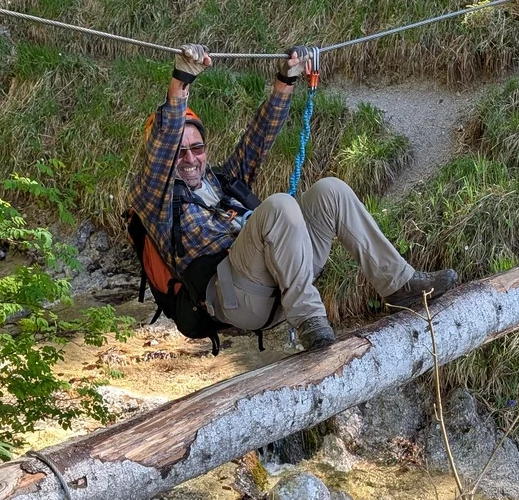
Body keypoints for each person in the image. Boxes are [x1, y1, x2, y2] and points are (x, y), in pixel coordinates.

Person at [128, 44, 458, 351]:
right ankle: (310, 319)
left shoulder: (224, 181)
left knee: (331, 191)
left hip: (281, 279)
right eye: (179, 152)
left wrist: (288, 78)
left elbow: (259, 137)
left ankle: (399, 284)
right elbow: (164, 144)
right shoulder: (154, 197)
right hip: (237, 298)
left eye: (197, 148)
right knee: (280, 206)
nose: (189, 158)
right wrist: (181, 79)